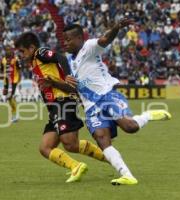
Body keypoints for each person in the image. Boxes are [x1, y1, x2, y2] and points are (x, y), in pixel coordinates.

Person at [63, 19, 172, 185]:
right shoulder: (69, 62)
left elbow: (105, 40)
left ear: (79, 38)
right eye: (64, 40)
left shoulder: (90, 46)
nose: (65, 43)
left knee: (130, 127)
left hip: (107, 96)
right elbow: (74, 86)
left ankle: (148, 115)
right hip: (91, 107)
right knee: (102, 139)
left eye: (68, 39)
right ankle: (127, 175)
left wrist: (116, 28)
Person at [15, 32, 107, 183]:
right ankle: (78, 165)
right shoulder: (34, 62)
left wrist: (67, 76)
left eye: (22, 51)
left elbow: (60, 57)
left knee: (70, 144)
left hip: (62, 101)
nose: (21, 55)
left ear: (31, 48)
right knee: (45, 147)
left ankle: (108, 157)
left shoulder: (40, 53)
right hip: (54, 108)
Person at [0, 47, 21, 122]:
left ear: (12, 56)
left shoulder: (16, 60)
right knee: (8, 98)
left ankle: (15, 116)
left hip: (14, 82)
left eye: (10, 58)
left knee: (9, 97)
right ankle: (14, 115)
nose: (9, 60)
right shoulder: (3, 60)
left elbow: (19, 71)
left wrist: (19, 82)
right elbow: (0, 71)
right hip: (6, 82)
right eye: (7, 58)